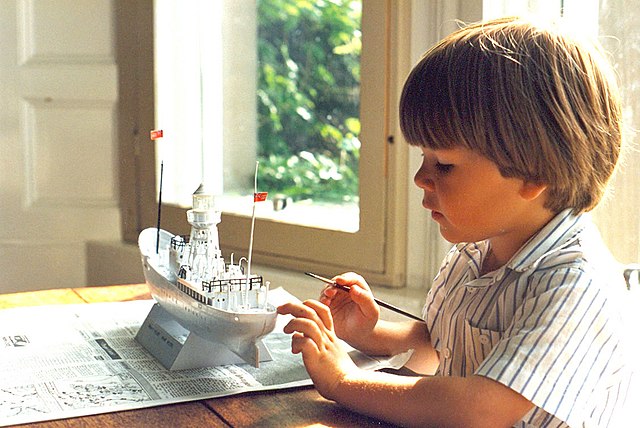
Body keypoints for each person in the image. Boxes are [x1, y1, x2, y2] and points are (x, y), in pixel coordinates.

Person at [277, 16, 634, 427]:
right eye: (424, 157)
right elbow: (445, 340)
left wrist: (342, 380)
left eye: (443, 164)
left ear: (534, 172)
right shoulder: (475, 250)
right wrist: (369, 334)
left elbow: (479, 407)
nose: (419, 178)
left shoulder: (575, 284)